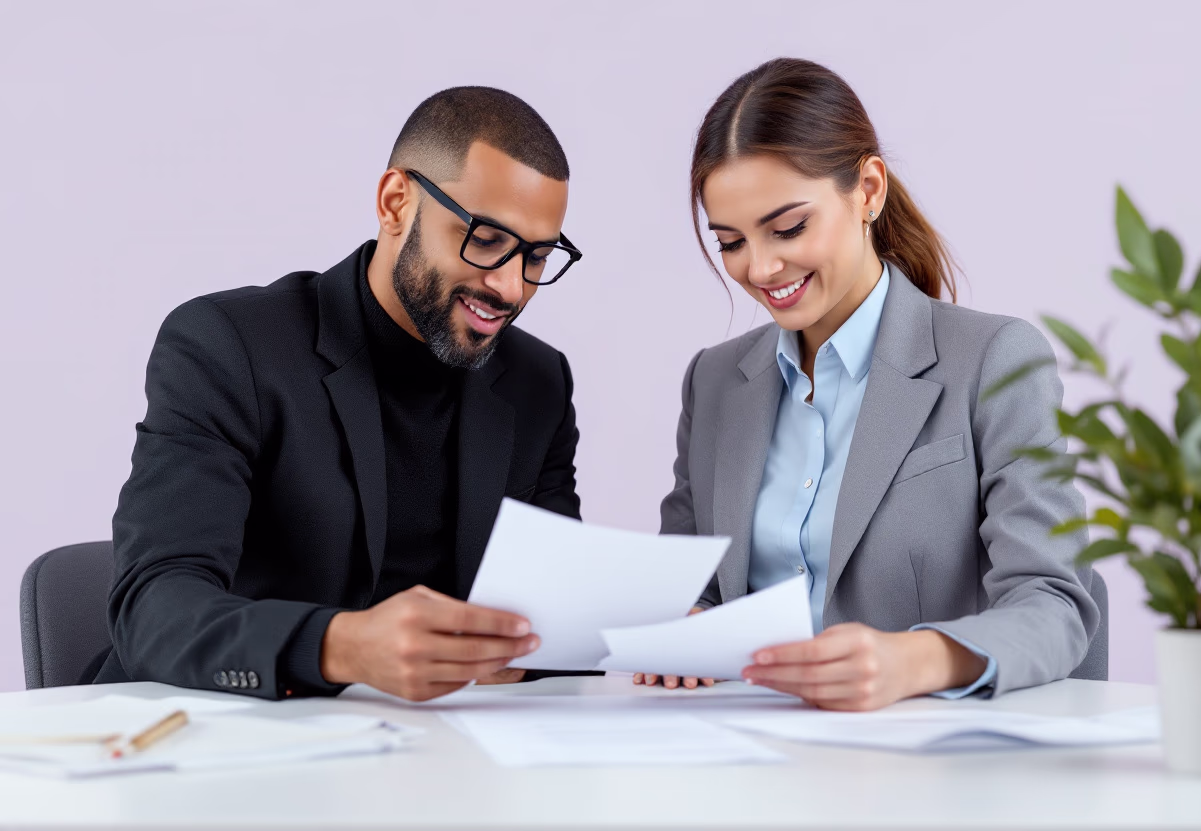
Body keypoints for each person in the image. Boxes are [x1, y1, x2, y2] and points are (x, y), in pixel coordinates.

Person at [96, 86, 585, 702]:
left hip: (435, 759)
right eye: (485, 240)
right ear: (396, 203)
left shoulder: (538, 382)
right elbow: (152, 608)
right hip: (215, 740)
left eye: (538, 257)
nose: (511, 287)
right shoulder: (229, 347)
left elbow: (557, 621)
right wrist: (344, 647)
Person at [638, 58, 1099, 708]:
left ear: (869, 190)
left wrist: (917, 659)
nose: (762, 267)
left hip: (926, 759)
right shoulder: (715, 381)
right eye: (731, 242)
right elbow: (689, 586)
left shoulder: (994, 359)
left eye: (789, 227)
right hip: (744, 753)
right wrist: (683, 626)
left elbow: (1054, 603)